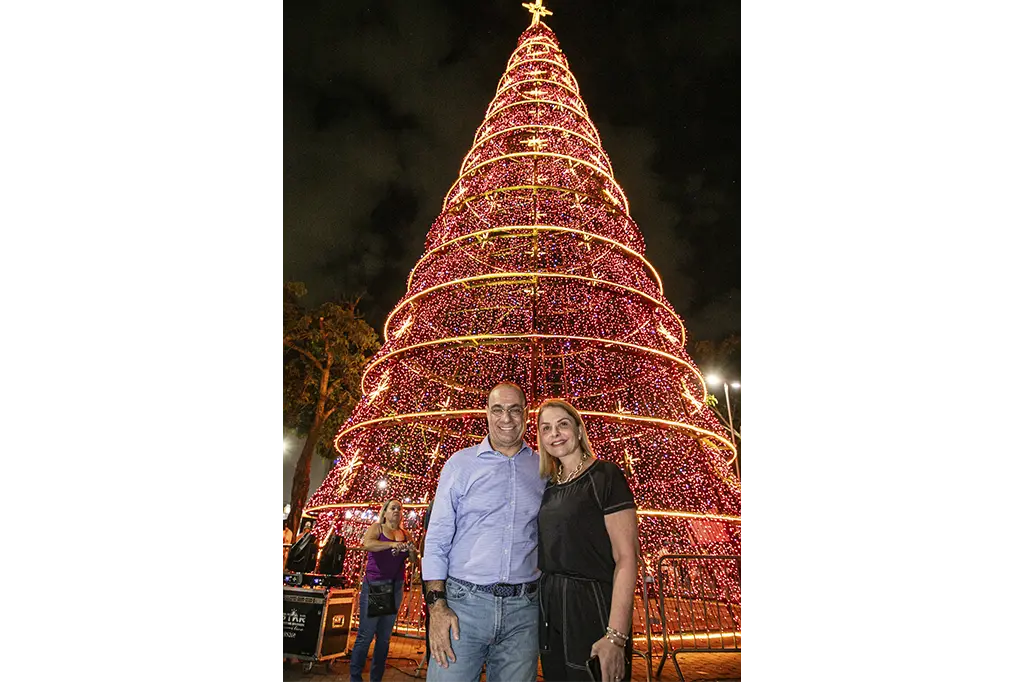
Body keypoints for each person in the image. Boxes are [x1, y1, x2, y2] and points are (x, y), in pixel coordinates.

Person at [422, 382, 547, 682]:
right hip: (463, 607)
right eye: (498, 410)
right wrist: (437, 607)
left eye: (515, 410)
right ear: (486, 413)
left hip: (524, 613)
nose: (507, 418)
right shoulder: (459, 465)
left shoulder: (544, 467)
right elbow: (437, 539)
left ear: (527, 414)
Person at [535, 399, 638, 682]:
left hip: (591, 603)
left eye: (562, 425)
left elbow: (627, 558)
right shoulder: (550, 486)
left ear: (579, 430)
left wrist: (616, 636)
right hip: (550, 606)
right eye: (546, 429)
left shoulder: (606, 475)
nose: (554, 434)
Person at [350, 499, 417, 682]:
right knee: (367, 634)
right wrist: (391, 545)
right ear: (385, 512)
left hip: (396, 586)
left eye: (399, 508)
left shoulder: (405, 533)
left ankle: (376, 678)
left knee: (385, 638)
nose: (396, 510)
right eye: (392, 508)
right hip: (378, 585)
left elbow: (413, 559)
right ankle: (355, 678)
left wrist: (411, 551)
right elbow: (368, 544)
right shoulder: (378, 528)